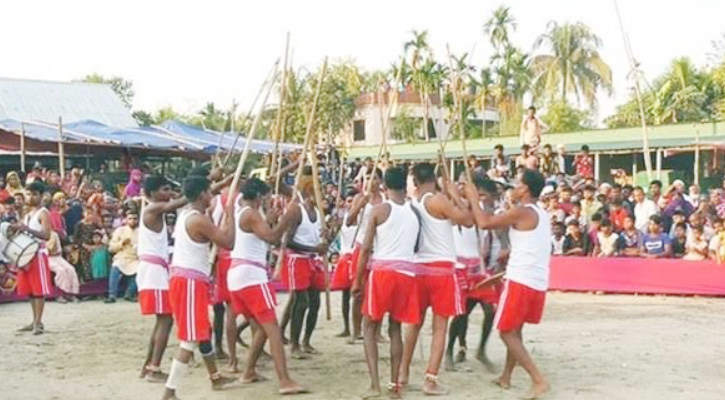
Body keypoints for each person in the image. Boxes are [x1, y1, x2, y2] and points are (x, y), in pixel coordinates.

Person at [464, 168, 551, 399]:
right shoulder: (539, 214)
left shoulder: (522, 212)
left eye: (517, 184)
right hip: (536, 280)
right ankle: (506, 376)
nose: (513, 188)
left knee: (505, 332)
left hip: (521, 280)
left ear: (525, 189)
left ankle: (538, 380)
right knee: (515, 330)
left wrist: (474, 199)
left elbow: (484, 223)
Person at [161, 175, 238, 400]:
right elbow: (228, 242)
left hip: (187, 280)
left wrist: (222, 183)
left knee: (203, 331)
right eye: (210, 192)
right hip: (189, 283)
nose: (212, 196)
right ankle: (169, 391)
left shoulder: (188, 212)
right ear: (202, 194)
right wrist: (230, 214)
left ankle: (215, 376)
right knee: (191, 339)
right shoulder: (198, 220)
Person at [399, 162, 473, 395]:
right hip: (441, 269)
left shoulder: (412, 204)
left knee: (414, 324)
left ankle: (402, 372)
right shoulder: (438, 200)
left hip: (419, 267)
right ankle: (430, 379)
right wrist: (455, 196)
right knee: (439, 327)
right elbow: (468, 220)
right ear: (434, 179)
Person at [228, 178, 306, 394]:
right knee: (273, 328)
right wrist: (288, 217)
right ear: (260, 196)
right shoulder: (250, 213)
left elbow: (262, 234)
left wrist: (273, 220)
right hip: (251, 276)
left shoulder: (243, 212)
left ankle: (248, 371)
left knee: (262, 328)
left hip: (241, 274)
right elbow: (272, 238)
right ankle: (285, 381)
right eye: (268, 195)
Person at [351, 166, 421, 399]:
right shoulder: (414, 212)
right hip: (407, 274)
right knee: (395, 329)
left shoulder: (379, 210)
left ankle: (375, 384)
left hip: (383, 273)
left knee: (369, 328)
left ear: (384, 185)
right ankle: (395, 386)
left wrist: (357, 280)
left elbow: (365, 249)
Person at [446, 177, 507, 372]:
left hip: (480, 270)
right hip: (461, 267)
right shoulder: (460, 210)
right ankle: (450, 350)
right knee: (461, 313)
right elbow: (462, 210)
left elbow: (494, 230)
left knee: (490, 310)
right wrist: (458, 192)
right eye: (477, 194)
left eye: (483, 195)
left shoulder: (488, 212)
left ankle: (480, 349)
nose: (479, 199)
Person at [136, 175, 188, 382]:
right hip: (154, 272)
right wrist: (201, 185)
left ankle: (148, 366)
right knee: (166, 320)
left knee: (162, 321)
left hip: (154, 270)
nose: (168, 193)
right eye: (164, 189)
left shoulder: (152, 208)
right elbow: (180, 201)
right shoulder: (152, 209)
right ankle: (154, 368)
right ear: (151, 193)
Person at [282, 168, 328, 359]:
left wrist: (326, 237)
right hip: (297, 260)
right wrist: (312, 250)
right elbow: (287, 240)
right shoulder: (296, 210)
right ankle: (294, 344)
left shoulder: (317, 212)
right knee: (301, 302)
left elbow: (318, 241)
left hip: (313, 261)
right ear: (310, 190)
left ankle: (306, 341)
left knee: (315, 303)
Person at [346, 167, 386, 343]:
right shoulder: (359, 198)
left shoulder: (385, 199)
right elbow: (349, 221)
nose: (372, 181)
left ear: (380, 180)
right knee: (358, 291)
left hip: (380, 248)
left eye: (375, 177)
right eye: (368, 177)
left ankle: (377, 331)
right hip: (363, 246)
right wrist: (360, 205)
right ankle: (356, 330)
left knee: (379, 292)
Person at [12, 181, 54, 335]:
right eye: (29, 194)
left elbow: (47, 235)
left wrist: (26, 228)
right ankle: (34, 320)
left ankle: (39, 322)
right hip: (26, 254)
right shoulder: (27, 214)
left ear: (41, 196)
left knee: (38, 290)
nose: (31, 197)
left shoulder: (43, 213)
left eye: (34, 194)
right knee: (30, 290)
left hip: (38, 253)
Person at [329, 189, 358, 337]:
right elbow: (332, 236)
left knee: (358, 296)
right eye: (348, 201)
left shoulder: (364, 218)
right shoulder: (342, 218)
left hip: (357, 258)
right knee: (345, 296)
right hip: (345, 258)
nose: (351, 203)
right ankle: (347, 327)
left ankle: (357, 328)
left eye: (354, 200)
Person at [106, 211, 139, 302]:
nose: (132, 221)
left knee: (141, 269)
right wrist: (122, 243)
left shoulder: (141, 232)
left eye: (135, 219)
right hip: (122, 257)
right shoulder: (120, 231)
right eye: (130, 219)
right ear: (125, 220)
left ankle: (129, 293)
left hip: (135, 258)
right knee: (115, 266)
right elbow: (111, 248)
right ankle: (112, 295)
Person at [46, 230, 80, 302]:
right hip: (46, 258)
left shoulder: (54, 234)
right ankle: (60, 294)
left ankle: (72, 293)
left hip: (57, 257)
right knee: (60, 270)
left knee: (71, 269)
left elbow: (59, 248)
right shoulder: (39, 234)